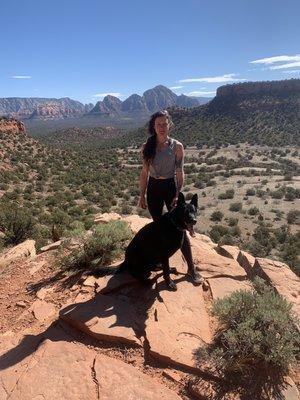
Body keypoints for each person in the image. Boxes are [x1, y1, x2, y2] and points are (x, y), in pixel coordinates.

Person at [138, 109, 204, 284]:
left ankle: (191, 269)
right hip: (153, 189)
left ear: (169, 125)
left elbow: (179, 172)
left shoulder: (177, 146)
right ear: (153, 126)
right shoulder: (147, 147)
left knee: (181, 228)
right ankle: (161, 261)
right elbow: (144, 173)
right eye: (158, 124)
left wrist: (177, 193)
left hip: (170, 187)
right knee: (160, 229)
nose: (161, 127)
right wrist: (141, 195)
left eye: (164, 124)